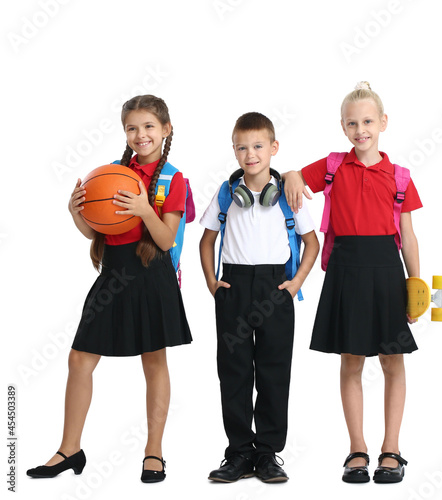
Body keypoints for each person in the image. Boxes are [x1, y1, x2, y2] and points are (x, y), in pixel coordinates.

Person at [27, 95, 192, 483]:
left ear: (166, 130)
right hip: (114, 273)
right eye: (132, 128)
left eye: (149, 126)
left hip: (153, 274)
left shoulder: (173, 179)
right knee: (79, 359)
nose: (140, 134)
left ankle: (154, 452)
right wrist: (76, 212)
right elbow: (97, 231)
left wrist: (144, 208)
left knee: (153, 362)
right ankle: (70, 449)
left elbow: (167, 240)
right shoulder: (114, 173)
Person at [283, 82, 422, 484]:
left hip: (387, 272)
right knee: (351, 361)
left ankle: (391, 449)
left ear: (383, 123)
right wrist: (292, 174)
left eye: (367, 121)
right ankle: (357, 449)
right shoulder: (332, 166)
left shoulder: (399, 176)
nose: (360, 129)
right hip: (345, 270)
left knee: (393, 361)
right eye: (352, 123)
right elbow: (295, 176)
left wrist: (417, 284)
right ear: (343, 127)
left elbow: (409, 237)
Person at [200, 112, 319, 483]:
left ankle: (267, 454)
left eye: (258, 146)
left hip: (275, 287)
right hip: (234, 288)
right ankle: (238, 453)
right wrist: (211, 282)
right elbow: (207, 240)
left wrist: (296, 282)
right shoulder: (225, 194)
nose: (250, 154)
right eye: (242, 147)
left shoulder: (287, 193)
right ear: (234, 151)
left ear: (273, 148)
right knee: (233, 372)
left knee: (273, 371)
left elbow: (311, 242)